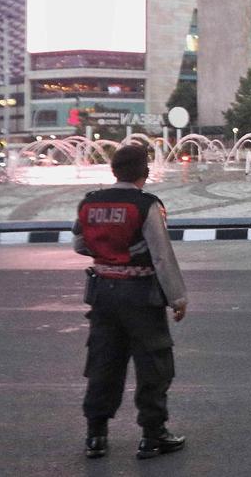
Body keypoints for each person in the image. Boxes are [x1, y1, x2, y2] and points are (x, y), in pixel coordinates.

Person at [74, 144, 189, 460]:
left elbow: (80, 244)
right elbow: (161, 255)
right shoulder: (145, 205)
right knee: (154, 364)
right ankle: (153, 436)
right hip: (140, 294)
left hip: (102, 294)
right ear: (145, 172)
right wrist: (177, 298)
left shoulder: (90, 202)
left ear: (113, 170)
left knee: (103, 363)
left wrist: (108, 257)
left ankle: (96, 436)